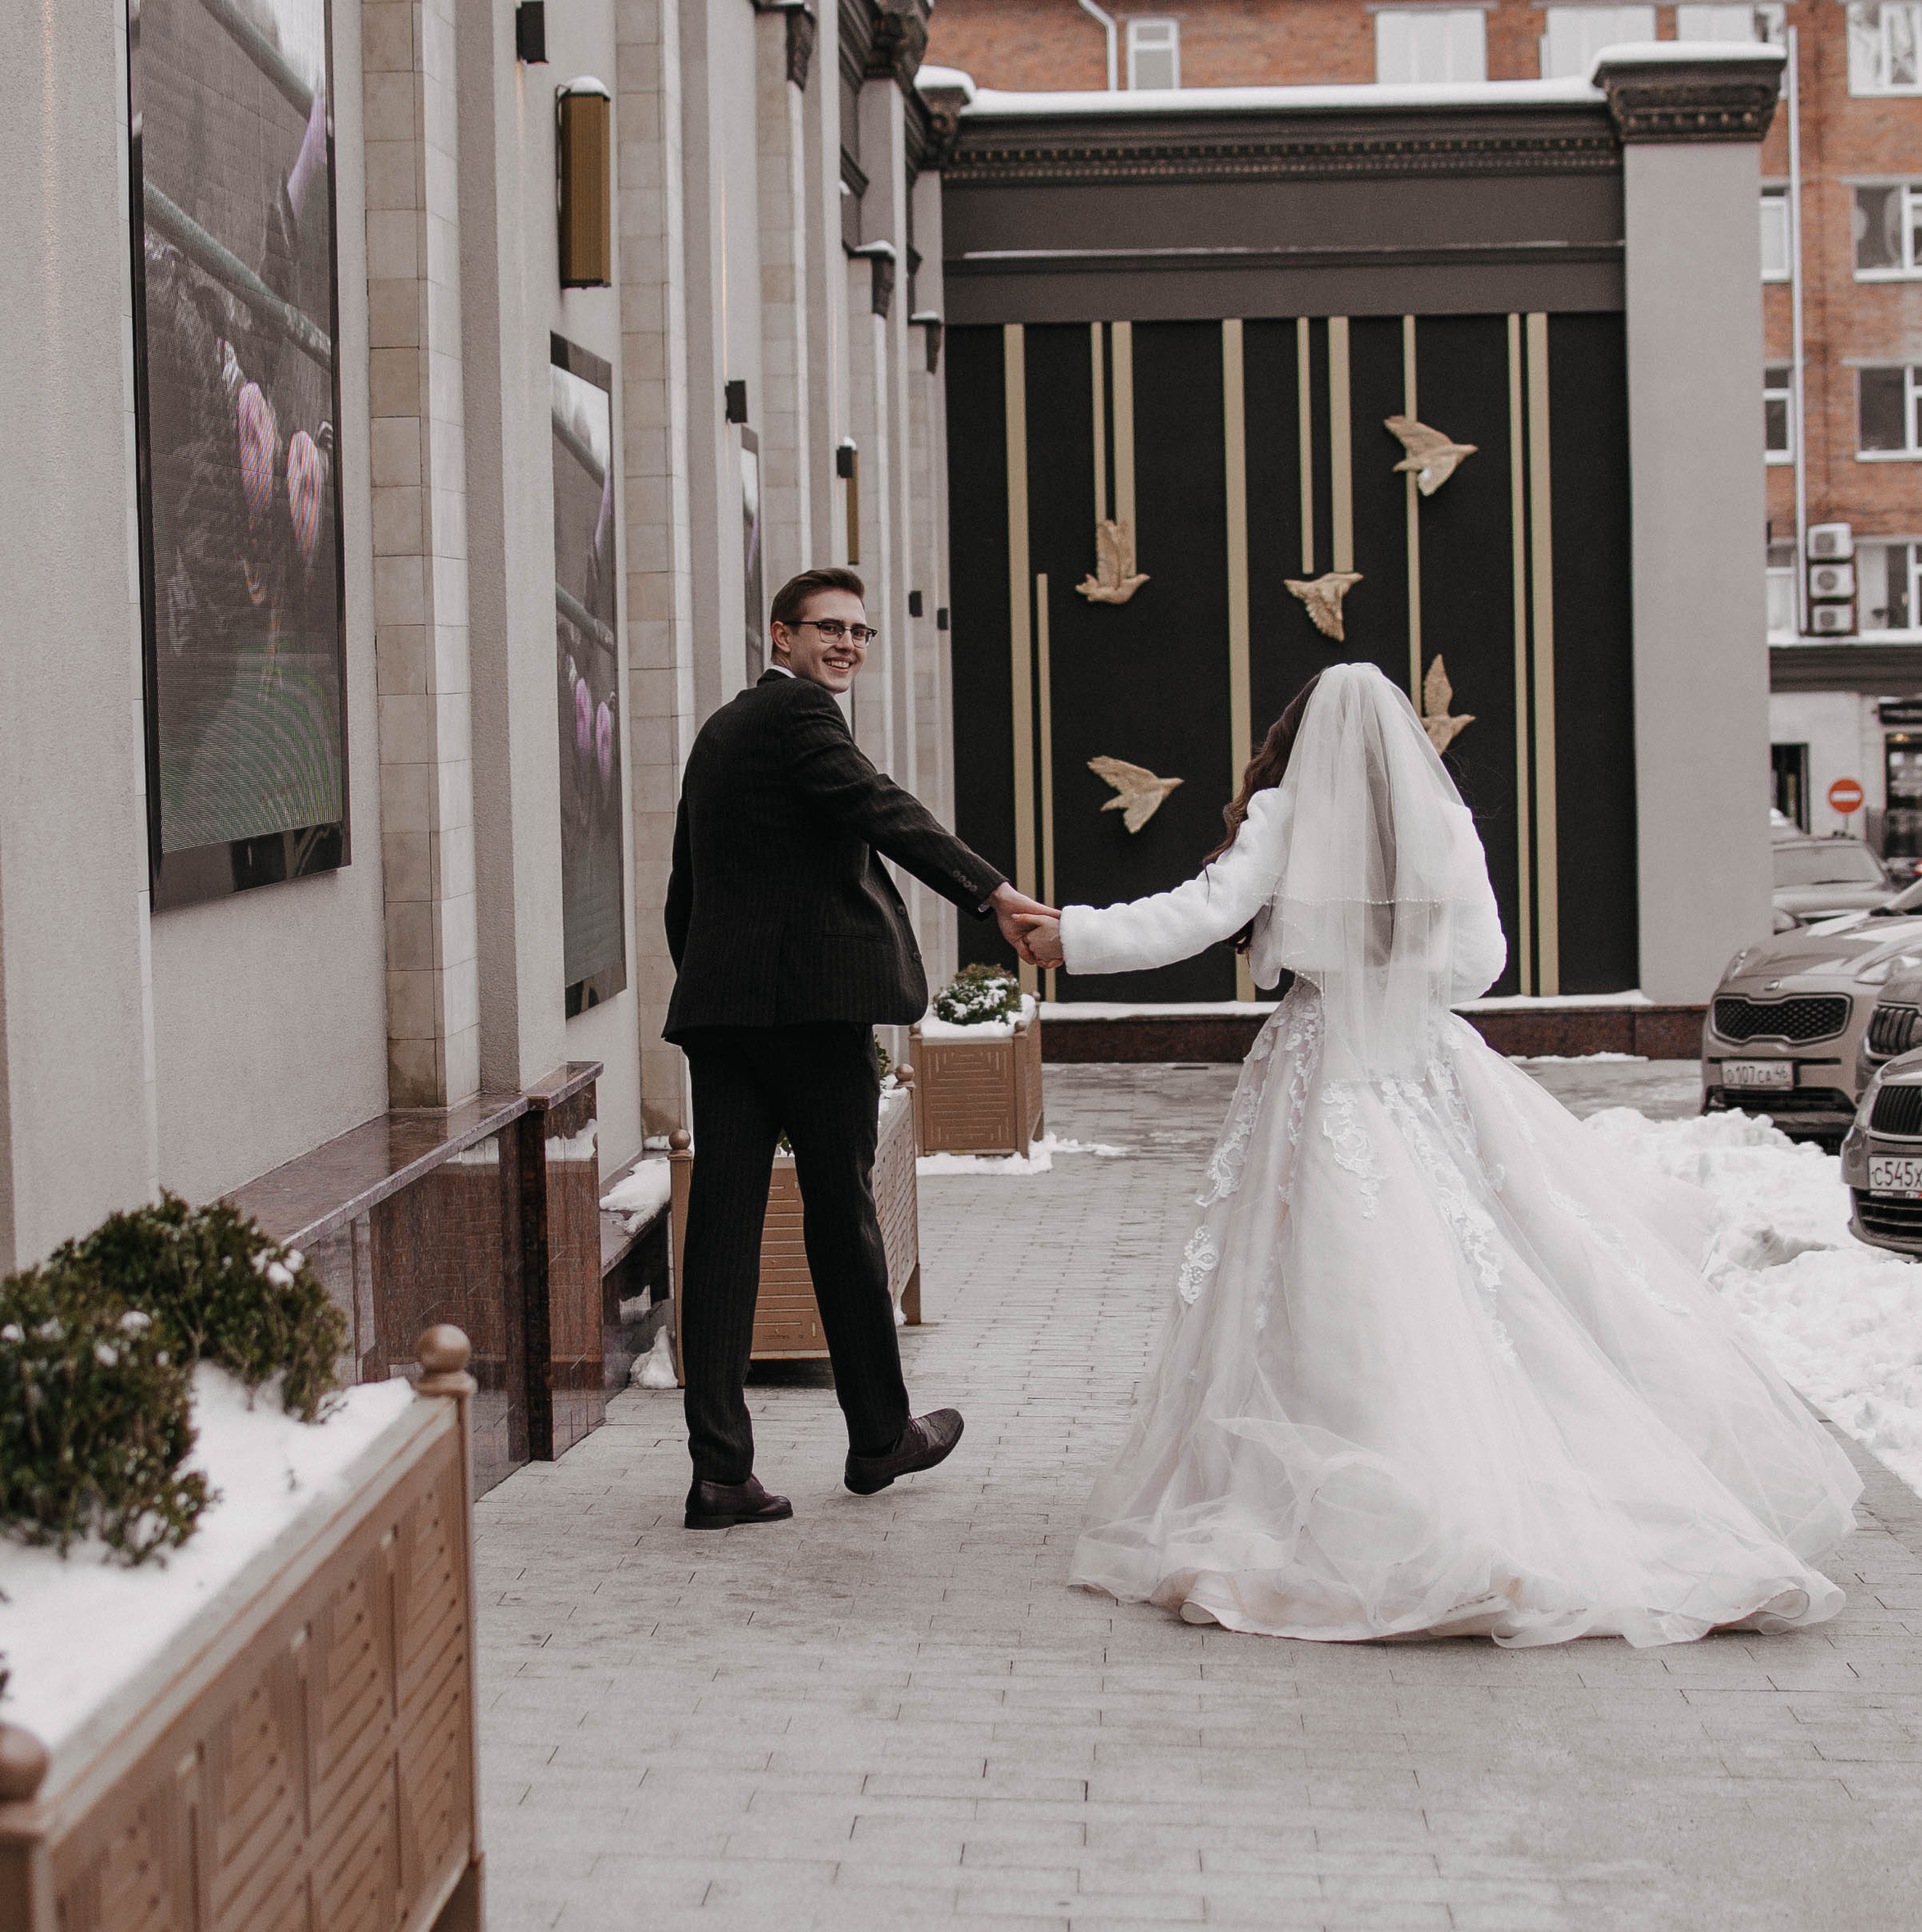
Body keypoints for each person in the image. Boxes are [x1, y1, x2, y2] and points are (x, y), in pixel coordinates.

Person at [1022, 661, 1859, 1646]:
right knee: (1485, 1270)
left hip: (1322, 1060)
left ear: (1297, 738)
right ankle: (1505, 1475)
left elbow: (1197, 914)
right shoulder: (1443, 826)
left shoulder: (1284, 816)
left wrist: (1070, 937)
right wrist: (1405, 964)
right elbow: (1481, 966)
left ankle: (1353, 1477)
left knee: (1323, 1277)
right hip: (1425, 1061)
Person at [664, 568, 1054, 1531]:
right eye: (828, 629)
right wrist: (990, 894)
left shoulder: (719, 733)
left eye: (860, 632)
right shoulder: (802, 722)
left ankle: (720, 1471)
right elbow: (884, 809)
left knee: (721, 1228)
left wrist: (721, 984)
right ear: (780, 635)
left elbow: (686, 890)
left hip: (725, 1015)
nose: (847, 645)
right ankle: (880, 1435)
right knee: (841, 1214)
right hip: (807, 1013)